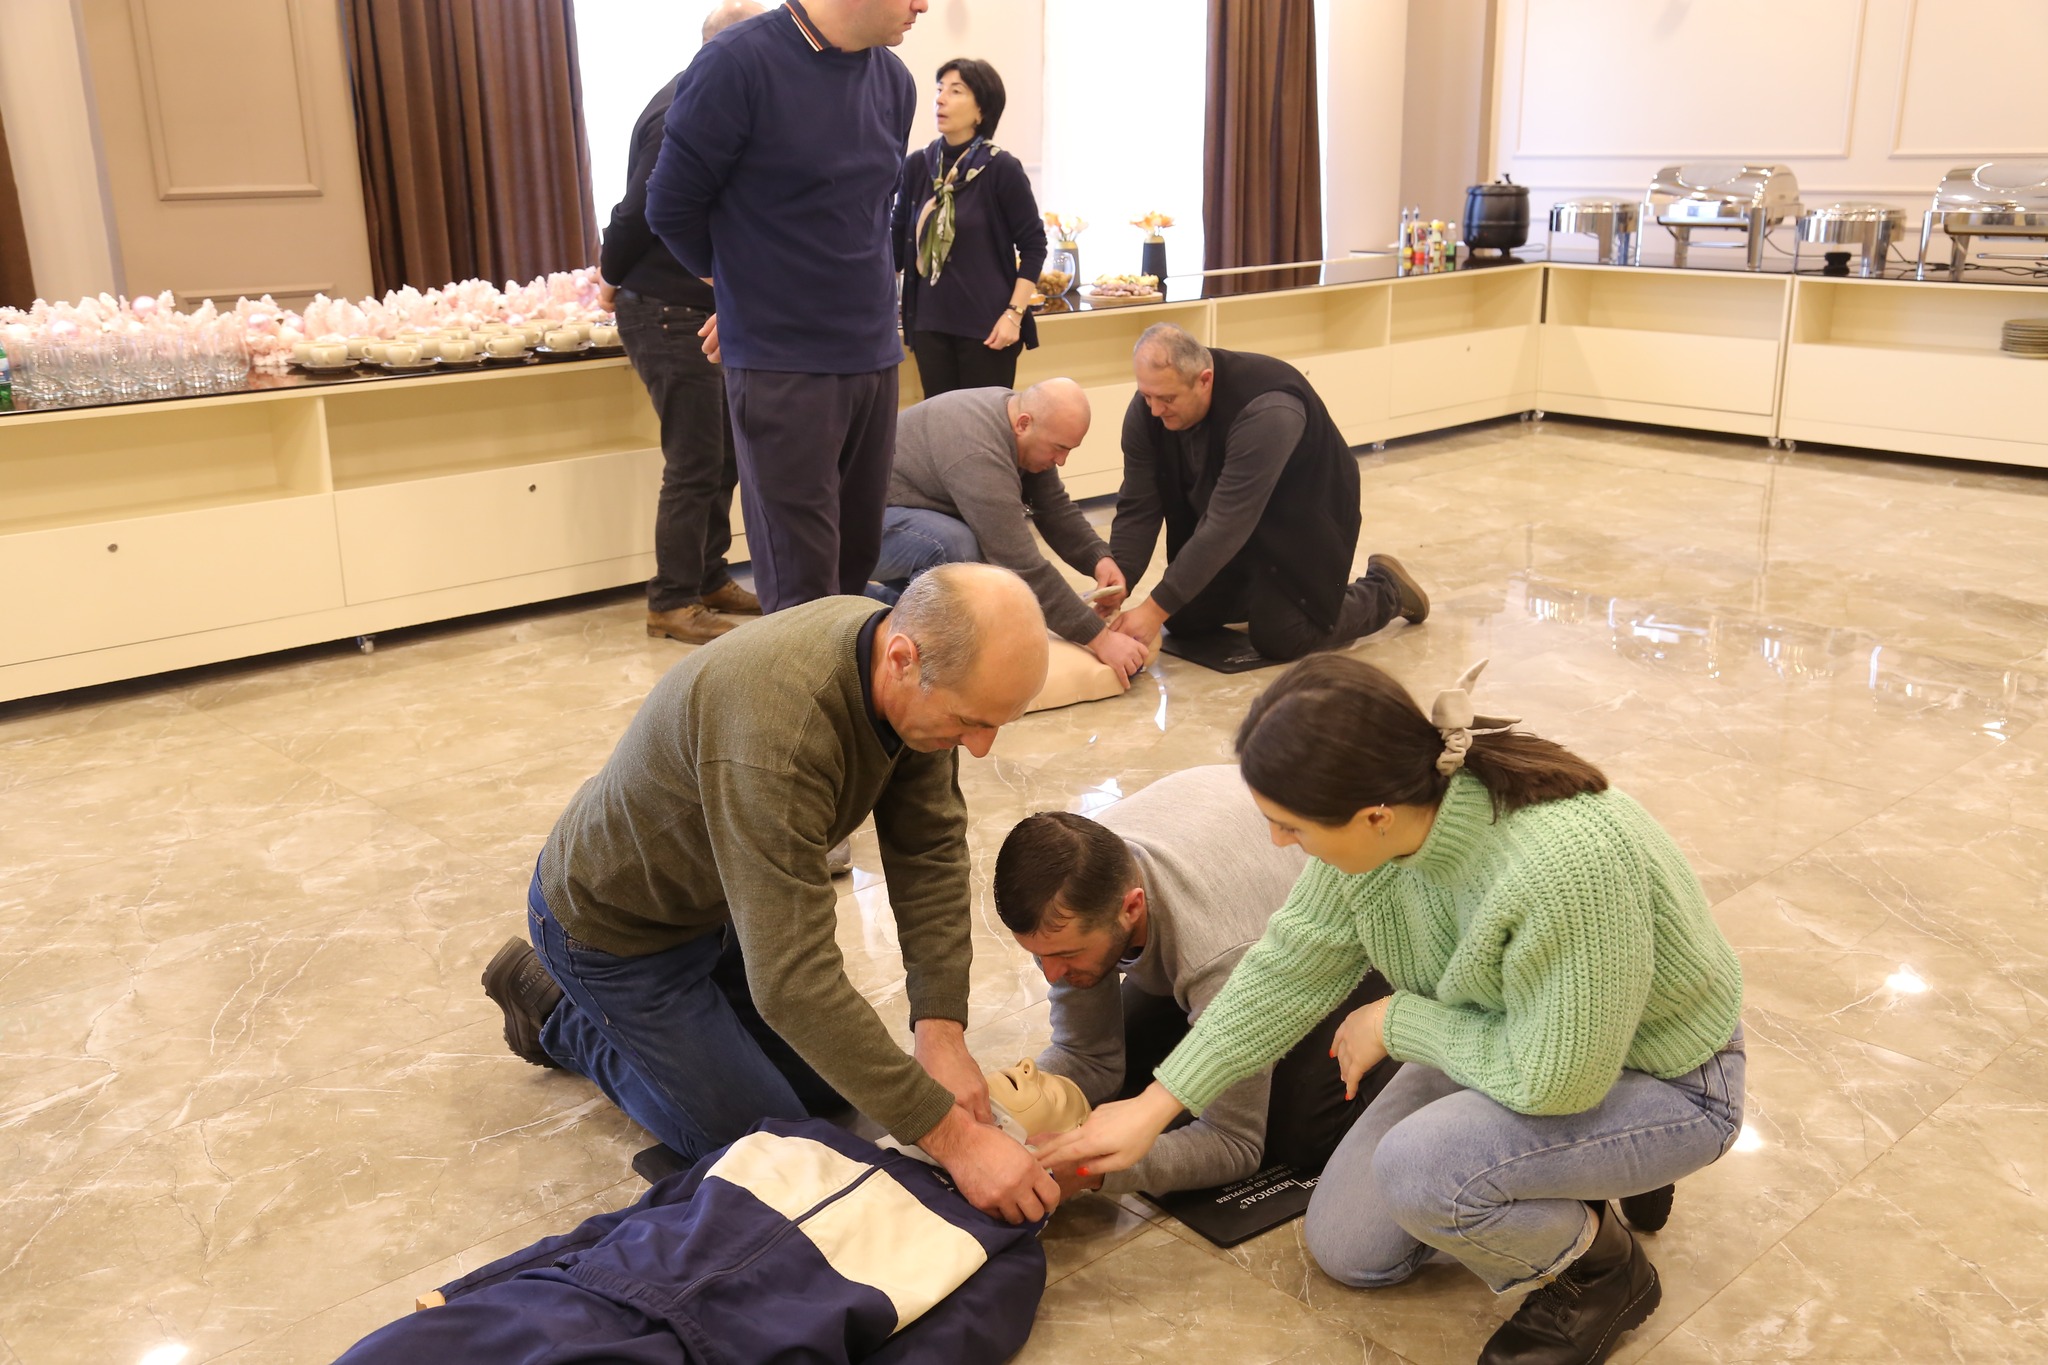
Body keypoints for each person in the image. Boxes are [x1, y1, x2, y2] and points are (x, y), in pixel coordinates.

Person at [1035, 656, 1747, 1365]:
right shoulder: (1375, 840)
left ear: (1375, 815)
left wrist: (1397, 1021)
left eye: (1291, 827)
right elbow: (1284, 971)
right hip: (1503, 1031)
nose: (1279, 842)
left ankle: (1602, 1269)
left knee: (1421, 1172)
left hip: (1660, 1076)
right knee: (1349, 1248)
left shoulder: (1560, 867)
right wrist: (1156, 1105)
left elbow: (1556, 1081)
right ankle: (1587, 1171)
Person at [481, 564, 1063, 1225]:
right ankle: (562, 1015)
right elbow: (793, 984)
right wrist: (954, 1139)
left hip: (716, 907)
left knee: (836, 1094)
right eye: (970, 722)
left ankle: (680, 1019)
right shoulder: (778, 731)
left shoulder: (902, 663)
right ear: (903, 659)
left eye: (995, 725)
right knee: (773, 1151)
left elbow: (928, 852)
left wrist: (941, 1028)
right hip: (613, 933)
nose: (980, 748)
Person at [992, 765, 1399, 1198]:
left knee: (1299, 1129)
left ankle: (1409, 1027)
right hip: (1236, 858)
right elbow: (1090, 1055)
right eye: (1041, 955)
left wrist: (1096, 1172)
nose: (1052, 974)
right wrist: (997, 1117)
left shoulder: (1218, 952)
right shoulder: (1069, 888)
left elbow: (1235, 1143)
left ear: (1131, 908)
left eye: (1067, 955)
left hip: (1365, 932)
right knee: (1138, 1068)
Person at [646, 0, 925, 613]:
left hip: (874, 356)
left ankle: (844, 678)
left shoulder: (894, 80)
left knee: (854, 568)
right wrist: (748, 295)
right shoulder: (736, 64)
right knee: (802, 589)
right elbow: (670, 208)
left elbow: (869, 217)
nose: (923, 6)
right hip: (786, 367)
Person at [1106, 323, 1430, 663]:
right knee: (1183, 618)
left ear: (1204, 380)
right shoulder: (1148, 409)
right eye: (1147, 396)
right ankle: (1264, 595)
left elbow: (1227, 525)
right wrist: (1119, 581)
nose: (1155, 411)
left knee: (1283, 635)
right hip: (1236, 518)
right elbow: (1138, 506)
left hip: (1306, 516)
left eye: (1167, 399)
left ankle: (1386, 589)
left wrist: (1153, 610)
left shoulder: (1268, 410)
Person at [596, 1, 766, 646]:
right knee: (696, 460)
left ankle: (708, 576)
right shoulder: (681, 110)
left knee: (723, 455)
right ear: (730, 50)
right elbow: (639, 209)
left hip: (699, 307)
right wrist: (610, 275)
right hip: (667, 307)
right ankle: (671, 601)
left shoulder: (711, 99)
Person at [875, 379, 1149, 684]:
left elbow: (1053, 508)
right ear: (1023, 424)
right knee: (957, 548)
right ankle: (862, 604)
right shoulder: (978, 451)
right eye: (1059, 448)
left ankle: (896, 614)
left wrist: (1098, 559)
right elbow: (1019, 563)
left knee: (971, 587)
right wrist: (1100, 639)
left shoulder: (1020, 423)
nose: (1061, 461)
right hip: (859, 529)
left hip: (900, 513)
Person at [892, 57, 1046, 396]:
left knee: (983, 424)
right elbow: (895, 247)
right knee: (939, 423)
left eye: (955, 90)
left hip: (988, 328)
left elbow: (1034, 246)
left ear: (981, 110)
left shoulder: (1001, 168)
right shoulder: (918, 166)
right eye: (939, 89)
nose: (940, 99)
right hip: (929, 328)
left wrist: (1014, 315)